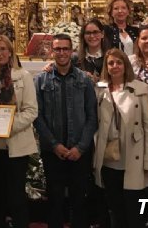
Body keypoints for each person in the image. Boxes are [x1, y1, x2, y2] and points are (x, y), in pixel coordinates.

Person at [34, 34, 97, 228]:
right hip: (53, 151)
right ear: (52, 51)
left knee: (79, 200)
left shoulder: (84, 80)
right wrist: (54, 145)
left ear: (72, 51)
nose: (61, 53)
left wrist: (81, 147)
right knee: (55, 200)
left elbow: (92, 116)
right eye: (57, 49)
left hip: (79, 151)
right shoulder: (41, 80)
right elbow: (38, 116)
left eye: (65, 49)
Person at [93, 48, 148, 228]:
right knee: (115, 210)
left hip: (133, 157)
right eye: (111, 63)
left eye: (119, 62)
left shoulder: (140, 89)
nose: (115, 66)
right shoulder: (99, 89)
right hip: (109, 158)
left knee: (134, 211)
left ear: (125, 65)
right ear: (106, 67)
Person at [0, 35, 38, 228]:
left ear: (10, 52)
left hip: (15, 145)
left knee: (16, 198)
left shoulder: (22, 76)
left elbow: (31, 111)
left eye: (3, 49)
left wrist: (7, 126)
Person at [77, 18, 110, 82]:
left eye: (95, 32)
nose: (92, 36)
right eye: (88, 33)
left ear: (102, 34)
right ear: (83, 36)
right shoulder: (76, 58)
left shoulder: (111, 56)